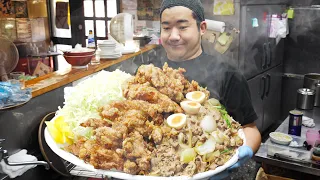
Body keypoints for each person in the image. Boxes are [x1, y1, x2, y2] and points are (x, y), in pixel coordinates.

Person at [153, 0, 262, 179]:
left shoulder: (227, 72)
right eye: (166, 28)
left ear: (202, 28)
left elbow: (250, 128)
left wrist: (244, 151)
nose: (173, 36)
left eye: (182, 27)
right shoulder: (150, 70)